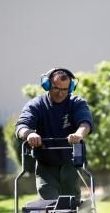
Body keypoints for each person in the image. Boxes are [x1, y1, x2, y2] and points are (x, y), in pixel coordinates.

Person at [16, 67, 93, 203]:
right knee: (49, 204)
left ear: (70, 88)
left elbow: (85, 123)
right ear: (47, 86)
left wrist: (78, 134)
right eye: (56, 88)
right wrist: (29, 134)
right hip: (46, 165)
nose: (60, 93)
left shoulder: (77, 103)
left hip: (71, 164)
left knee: (72, 205)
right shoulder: (36, 105)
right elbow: (21, 126)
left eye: (64, 89)